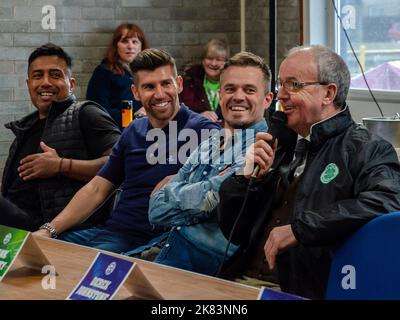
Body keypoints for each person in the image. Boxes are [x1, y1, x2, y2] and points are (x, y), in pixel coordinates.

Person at [217, 45, 400, 299]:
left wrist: (300, 229)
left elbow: (389, 201)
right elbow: (233, 231)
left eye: (293, 85)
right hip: (238, 281)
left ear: (328, 93)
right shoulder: (278, 143)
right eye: (280, 84)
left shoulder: (366, 149)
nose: (281, 95)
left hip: (296, 290)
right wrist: (247, 181)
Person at [34, 48, 220, 254]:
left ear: (179, 84)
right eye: (149, 86)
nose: (159, 94)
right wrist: (49, 230)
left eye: (166, 83)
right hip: (114, 231)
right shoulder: (133, 130)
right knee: (39, 249)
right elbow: (96, 189)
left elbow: (220, 185)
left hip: (160, 239)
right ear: (136, 93)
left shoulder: (205, 131)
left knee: (79, 264)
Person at [125, 52, 271, 276]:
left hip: (200, 265)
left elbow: (216, 197)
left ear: (268, 99)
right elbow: (155, 210)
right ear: (220, 95)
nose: (238, 97)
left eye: (249, 90)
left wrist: (175, 192)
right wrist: (202, 200)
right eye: (230, 89)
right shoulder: (210, 142)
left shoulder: (261, 149)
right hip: (164, 247)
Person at [0, 43, 121, 232]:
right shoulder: (25, 129)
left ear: (71, 84)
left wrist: (61, 166)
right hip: (15, 230)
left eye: (55, 75)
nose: (45, 82)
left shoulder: (87, 113)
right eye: (37, 76)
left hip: (53, 228)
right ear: (29, 84)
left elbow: (121, 164)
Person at [86, 23, 149, 129]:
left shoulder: (150, 72)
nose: (130, 46)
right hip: (117, 133)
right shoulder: (103, 72)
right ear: (116, 46)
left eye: (135, 42)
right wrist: (134, 115)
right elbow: (95, 111)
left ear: (141, 46)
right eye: (124, 41)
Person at [179, 39, 229, 123]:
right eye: (209, 58)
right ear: (203, 60)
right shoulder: (188, 83)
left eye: (219, 59)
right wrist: (198, 116)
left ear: (226, 62)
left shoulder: (234, 85)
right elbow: (178, 113)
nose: (213, 63)